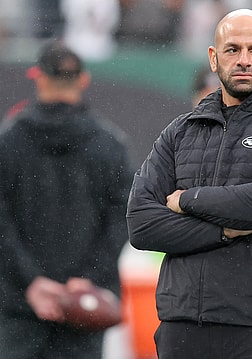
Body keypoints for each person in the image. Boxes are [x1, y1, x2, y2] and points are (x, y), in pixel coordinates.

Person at [126, 8, 252, 359]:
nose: (244, 60)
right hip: (183, 323)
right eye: (233, 49)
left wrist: (188, 200)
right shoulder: (180, 131)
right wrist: (224, 231)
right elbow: (141, 224)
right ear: (213, 57)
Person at [0, 41, 133, 358]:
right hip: (85, 309)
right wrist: (86, 279)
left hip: (20, 307)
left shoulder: (7, 142)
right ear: (83, 80)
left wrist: (32, 281)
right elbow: (123, 219)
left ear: (38, 77)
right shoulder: (111, 145)